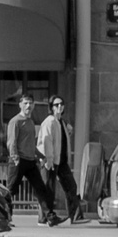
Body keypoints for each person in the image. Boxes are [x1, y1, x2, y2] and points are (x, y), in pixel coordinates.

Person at [6, 95, 52, 222]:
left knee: (41, 188)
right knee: (10, 191)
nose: (28, 106)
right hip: (19, 160)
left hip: (31, 161)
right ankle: (6, 217)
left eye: (30, 103)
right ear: (20, 105)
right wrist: (15, 158)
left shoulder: (31, 122)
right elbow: (11, 142)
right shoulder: (15, 121)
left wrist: (42, 156)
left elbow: (31, 144)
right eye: (25, 103)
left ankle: (50, 216)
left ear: (34, 105)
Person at [39, 95, 81, 223]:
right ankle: (44, 218)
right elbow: (46, 142)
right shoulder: (49, 121)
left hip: (61, 161)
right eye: (56, 105)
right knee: (47, 188)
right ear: (51, 107)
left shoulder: (61, 122)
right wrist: (48, 160)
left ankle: (75, 216)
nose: (59, 107)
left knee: (71, 186)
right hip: (50, 161)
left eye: (61, 104)